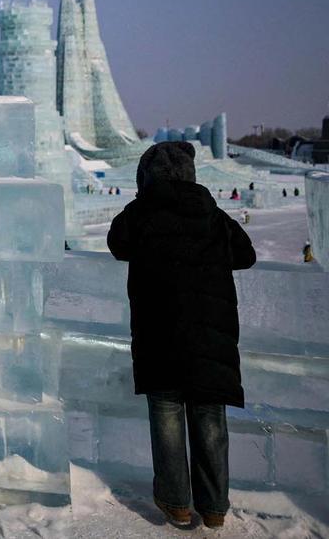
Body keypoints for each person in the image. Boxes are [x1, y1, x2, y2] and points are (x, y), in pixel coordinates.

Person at [107, 142, 255, 530]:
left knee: (167, 415)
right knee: (209, 421)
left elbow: (116, 244)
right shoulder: (212, 213)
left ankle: (176, 502)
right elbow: (246, 254)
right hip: (211, 340)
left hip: (160, 336)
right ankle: (214, 506)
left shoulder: (140, 214)